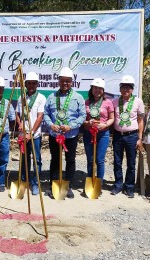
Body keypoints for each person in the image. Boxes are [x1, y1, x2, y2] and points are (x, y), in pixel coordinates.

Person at [43, 67, 86, 199]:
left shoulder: (78, 97)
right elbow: (46, 114)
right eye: (62, 81)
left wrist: (71, 126)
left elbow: (82, 116)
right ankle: (54, 185)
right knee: (55, 160)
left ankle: (68, 186)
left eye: (68, 81)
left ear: (72, 82)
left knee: (70, 160)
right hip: (55, 136)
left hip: (70, 136)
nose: (65, 83)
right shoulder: (51, 97)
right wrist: (51, 125)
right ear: (59, 81)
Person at [111, 75, 145, 198]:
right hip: (118, 136)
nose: (126, 89)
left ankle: (129, 187)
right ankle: (118, 185)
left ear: (132, 89)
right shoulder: (114, 101)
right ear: (120, 89)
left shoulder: (138, 101)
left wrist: (140, 138)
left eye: (128, 87)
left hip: (132, 136)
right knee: (117, 162)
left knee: (131, 163)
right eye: (123, 87)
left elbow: (141, 121)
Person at [16, 72, 46, 196]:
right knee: (24, 159)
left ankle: (35, 183)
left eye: (34, 83)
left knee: (36, 160)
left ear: (37, 84)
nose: (31, 85)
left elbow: (40, 117)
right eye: (29, 83)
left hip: (35, 136)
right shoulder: (21, 98)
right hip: (23, 134)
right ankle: (24, 181)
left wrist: (31, 133)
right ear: (26, 84)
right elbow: (18, 114)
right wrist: (20, 124)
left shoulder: (41, 98)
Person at [82, 78, 114, 192]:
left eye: (100, 88)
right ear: (92, 89)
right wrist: (87, 122)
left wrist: (105, 125)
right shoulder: (86, 102)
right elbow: (82, 119)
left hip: (102, 134)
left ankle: (98, 184)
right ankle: (90, 183)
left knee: (99, 160)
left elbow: (112, 118)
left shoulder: (108, 102)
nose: (97, 90)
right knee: (90, 159)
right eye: (95, 88)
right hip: (88, 133)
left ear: (103, 90)